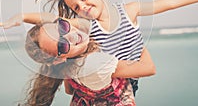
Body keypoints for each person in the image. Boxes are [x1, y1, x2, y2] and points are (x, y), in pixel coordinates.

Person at [0, 0, 198, 95]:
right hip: (95, 80)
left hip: (121, 83)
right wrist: (23, 16)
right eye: (76, 6)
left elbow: (169, 2)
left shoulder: (129, 11)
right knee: (73, 81)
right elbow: (53, 19)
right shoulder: (85, 25)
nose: (82, 7)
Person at [21, 18, 155, 106]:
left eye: (62, 27)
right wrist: (135, 39)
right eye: (62, 45)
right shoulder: (95, 64)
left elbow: (69, 90)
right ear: (58, 59)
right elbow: (148, 68)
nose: (71, 36)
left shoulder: (66, 64)